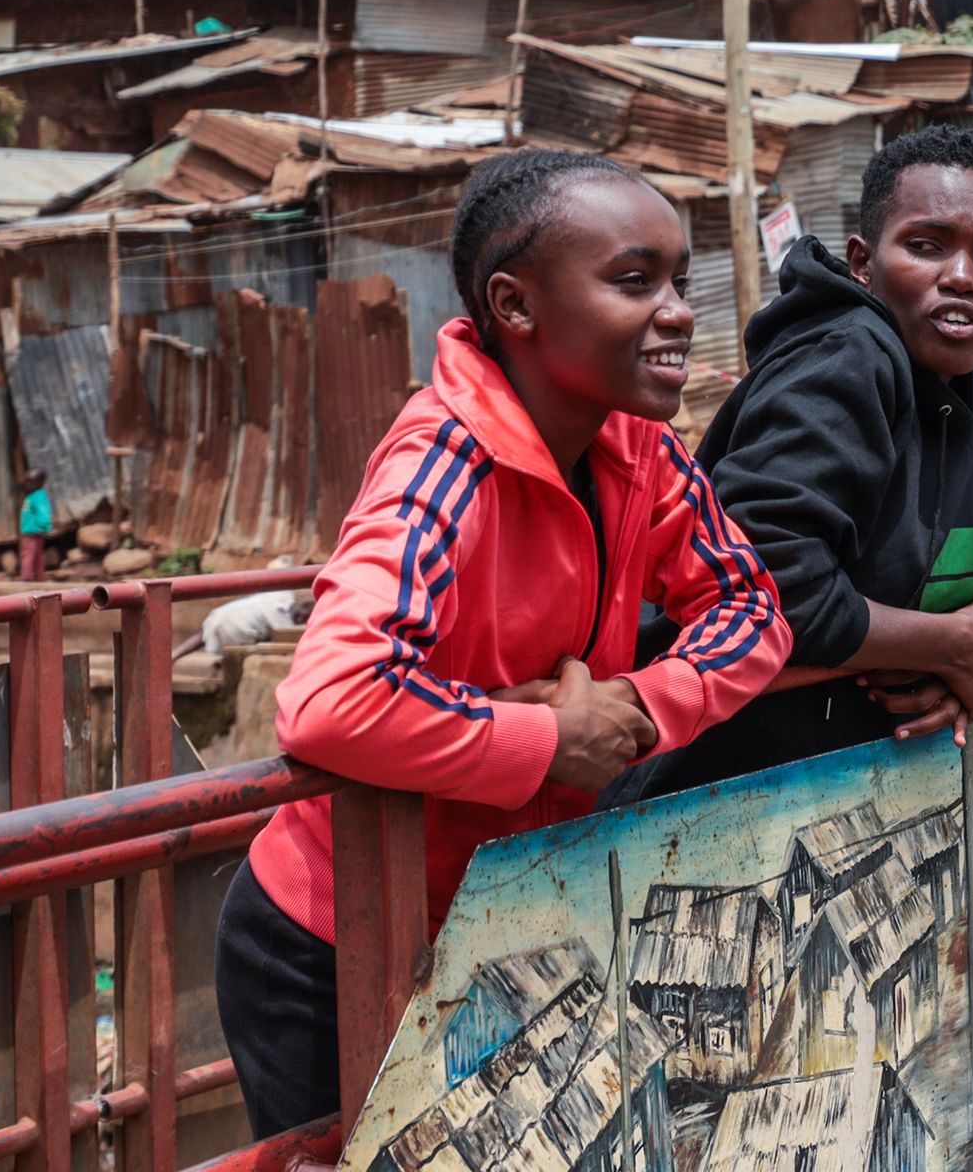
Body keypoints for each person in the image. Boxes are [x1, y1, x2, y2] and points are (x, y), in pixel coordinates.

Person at [212, 149, 790, 1139]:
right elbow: (333, 697)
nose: (678, 311)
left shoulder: (638, 447)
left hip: (507, 913)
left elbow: (750, 611)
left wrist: (640, 711)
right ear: (514, 306)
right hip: (336, 938)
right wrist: (541, 743)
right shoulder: (442, 461)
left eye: (679, 280)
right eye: (631, 280)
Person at [600, 124, 973, 804]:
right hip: (721, 792)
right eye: (925, 246)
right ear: (863, 262)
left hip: (883, 788)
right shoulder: (841, 363)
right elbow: (767, 582)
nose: (961, 277)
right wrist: (943, 645)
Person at [174, 589, 306, 660]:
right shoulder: (282, 622)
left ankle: (173, 656)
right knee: (266, 645)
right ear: (301, 618)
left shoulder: (284, 594)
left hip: (221, 613)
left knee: (204, 634)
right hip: (238, 629)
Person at [17, 468, 54, 581]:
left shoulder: (38, 495)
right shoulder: (33, 495)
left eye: (31, 482)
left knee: (28, 555)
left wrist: (44, 525)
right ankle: (38, 578)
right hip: (33, 531)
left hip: (32, 532)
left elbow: (43, 512)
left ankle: (26, 579)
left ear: (40, 483)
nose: (27, 485)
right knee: (36, 556)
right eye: (27, 481)